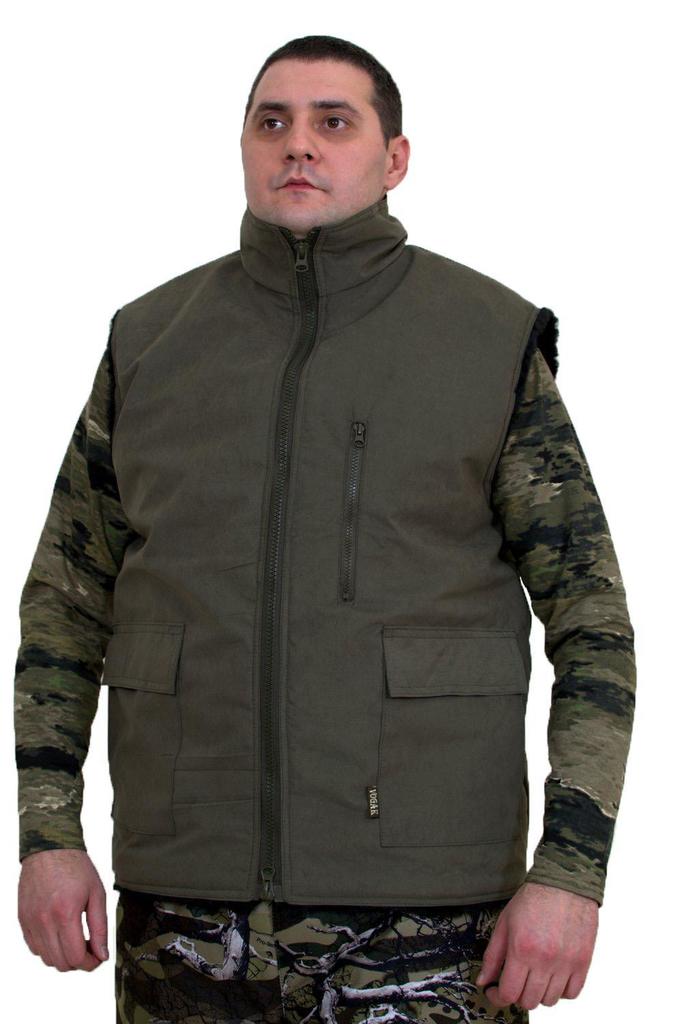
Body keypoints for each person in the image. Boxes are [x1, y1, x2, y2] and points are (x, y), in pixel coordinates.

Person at [14, 34, 636, 1022]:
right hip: (185, 912)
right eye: (273, 122)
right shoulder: (150, 342)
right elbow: (64, 607)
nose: (297, 144)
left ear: (394, 158)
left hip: (429, 918)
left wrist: (571, 871)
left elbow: (592, 622)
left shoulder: (485, 340)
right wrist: (47, 837)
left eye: (332, 122)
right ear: (244, 147)